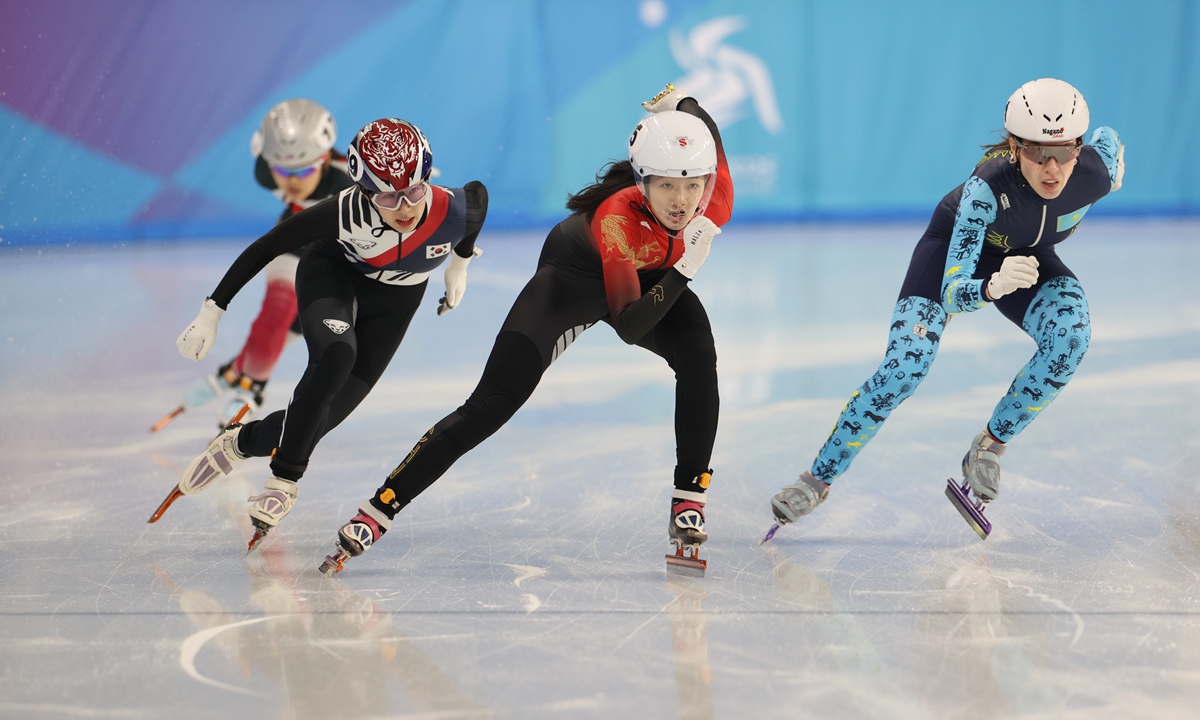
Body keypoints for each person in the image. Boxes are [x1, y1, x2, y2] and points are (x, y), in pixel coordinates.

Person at [319, 84, 735, 577]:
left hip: (645, 278)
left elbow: (709, 138)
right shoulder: (617, 218)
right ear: (642, 181)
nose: (683, 201)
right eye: (666, 185)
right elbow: (628, 324)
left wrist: (680, 102)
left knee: (698, 351)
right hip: (572, 282)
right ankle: (380, 508)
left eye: (693, 186)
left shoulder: (713, 198)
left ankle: (689, 497)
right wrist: (684, 270)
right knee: (492, 404)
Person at [766, 78, 1125, 538]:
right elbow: (954, 292)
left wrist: (1116, 161)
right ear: (1014, 147)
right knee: (904, 369)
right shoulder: (986, 189)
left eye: (1064, 151)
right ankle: (816, 479)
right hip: (958, 255)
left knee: (1071, 337)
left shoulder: (1095, 171)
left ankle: (990, 447)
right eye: (1037, 152)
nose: (1052, 167)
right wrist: (991, 287)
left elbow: (1110, 140)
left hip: (1029, 258)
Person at [157, 118, 488, 549]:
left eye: (414, 190)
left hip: (398, 300)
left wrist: (458, 269)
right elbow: (265, 247)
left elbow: (474, 213)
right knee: (336, 357)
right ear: (365, 190)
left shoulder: (462, 205)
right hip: (333, 276)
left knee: (324, 417)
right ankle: (282, 483)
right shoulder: (344, 210)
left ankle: (239, 442)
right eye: (388, 195)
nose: (405, 207)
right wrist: (211, 312)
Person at [151, 99, 353, 431]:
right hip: (297, 236)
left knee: (293, 328)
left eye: (303, 169)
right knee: (278, 308)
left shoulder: (353, 183)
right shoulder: (264, 172)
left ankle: (234, 372)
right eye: (282, 170)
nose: (292, 181)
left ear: (325, 159)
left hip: (337, 254)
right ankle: (254, 386)